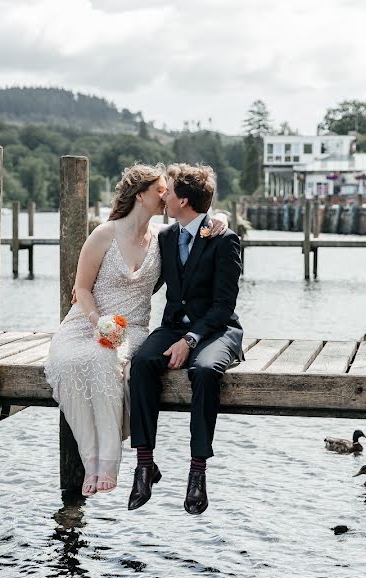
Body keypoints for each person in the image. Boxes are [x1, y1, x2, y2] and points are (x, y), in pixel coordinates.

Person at [43, 163, 228, 497]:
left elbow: (199, 233)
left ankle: (109, 464)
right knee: (71, 365)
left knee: (103, 359)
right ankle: (91, 460)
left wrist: (219, 219)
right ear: (141, 195)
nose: (165, 195)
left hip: (132, 328)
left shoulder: (163, 239)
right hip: (89, 322)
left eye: (167, 190)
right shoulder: (103, 234)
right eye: (159, 189)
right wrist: (97, 319)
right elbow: (81, 288)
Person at [127, 163, 244, 515]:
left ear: (185, 200)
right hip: (173, 325)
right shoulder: (166, 237)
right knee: (142, 363)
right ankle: (145, 464)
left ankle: (197, 471)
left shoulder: (224, 239)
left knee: (206, 372)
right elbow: (147, 279)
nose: (164, 196)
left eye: (170, 191)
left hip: (216, 330)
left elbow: (224, 306)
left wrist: (191, 340)